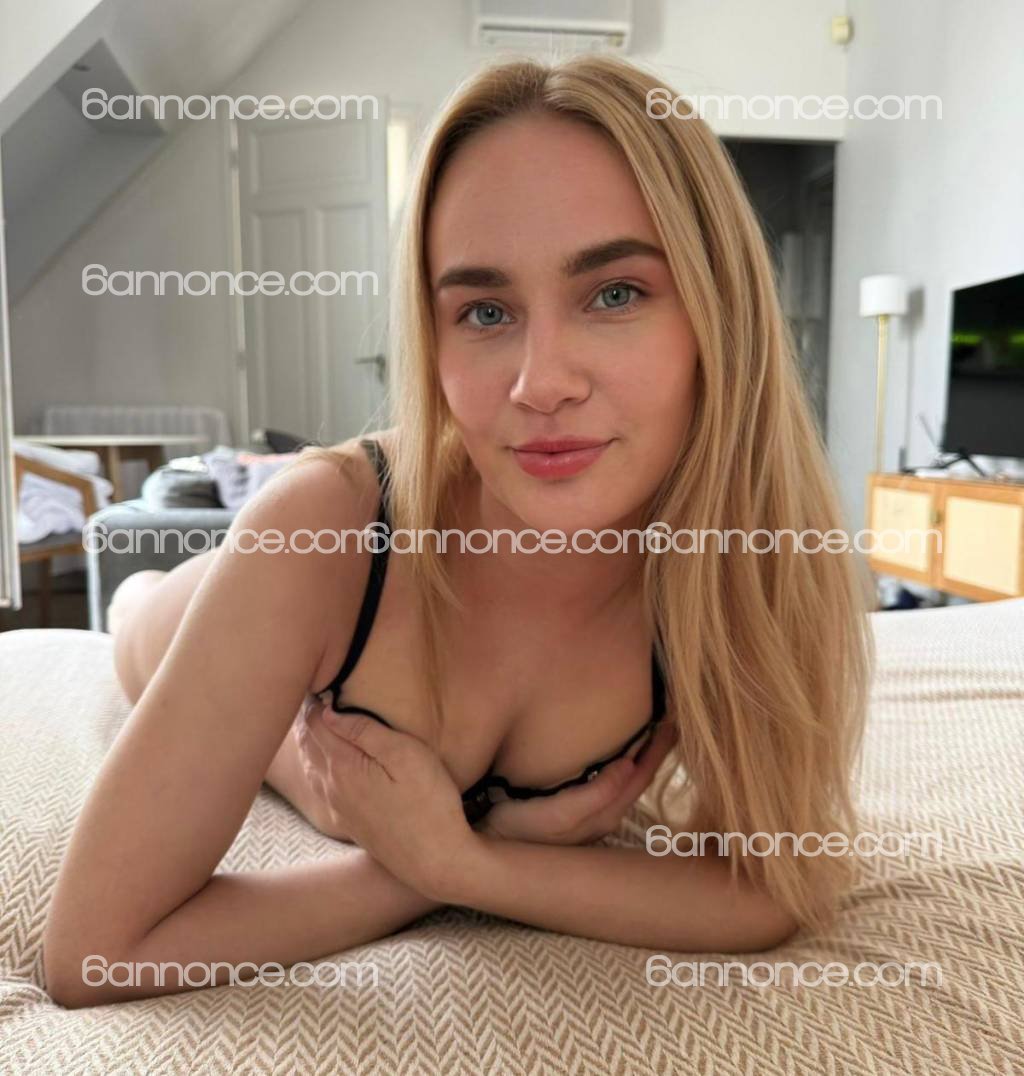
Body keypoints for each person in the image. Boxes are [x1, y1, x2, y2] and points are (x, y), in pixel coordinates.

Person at [43, 52, 873, 1007]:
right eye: (484, 311)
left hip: (313, 672)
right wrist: (421, 868)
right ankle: (139, 601)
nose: (541, 383)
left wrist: (463, 862)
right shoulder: (323, 530)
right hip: (193, 616)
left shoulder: (752, 560)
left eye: (614, 293)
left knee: (342, 795)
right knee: (143, 614)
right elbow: (96, 954)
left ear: (717, 310)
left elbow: (771, 889)